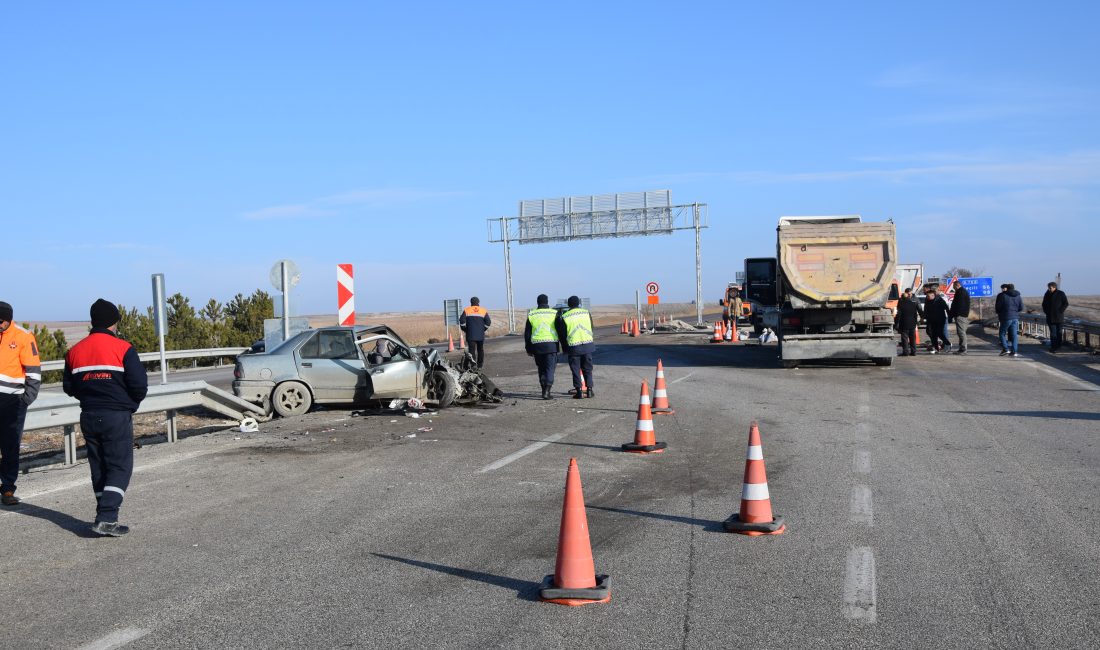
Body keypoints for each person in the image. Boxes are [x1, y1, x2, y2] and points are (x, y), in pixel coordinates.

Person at [63, 299, 148, 536]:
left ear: (93, 322)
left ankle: (104, 514)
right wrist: (129, 405)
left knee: (99, 466)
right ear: (114, 322)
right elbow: (139, 386)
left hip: (89, 415)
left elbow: (69, 387)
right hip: (116, 416)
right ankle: (107, 517)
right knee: (120, 467)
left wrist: (91, 396)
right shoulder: (123, 348)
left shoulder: (74, 351)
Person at [0, 301, 41, 506]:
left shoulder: (23, 336)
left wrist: (26, 400)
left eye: (2, 322)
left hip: (12, 401)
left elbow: (33, 371)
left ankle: (7, 489)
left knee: (10, 446)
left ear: (9, 319)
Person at [556, 296, 595, 399]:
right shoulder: (586, 313)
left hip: (573, 347)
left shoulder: (565, 316)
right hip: (587, 345)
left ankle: (579, 391)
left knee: (576, 369)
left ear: (569, 304)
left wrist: (564, 348)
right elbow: (591, 327)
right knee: (588, 369)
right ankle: (590, 390)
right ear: (578, 303)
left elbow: (563, 335)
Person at [524, 294, 560, 400]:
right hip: (551, 345)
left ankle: (543, 388)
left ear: (537, 302)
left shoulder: (532, 314)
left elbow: (527, 334)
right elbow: (560, 330)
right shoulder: (554, 313)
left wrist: (528, 348)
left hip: (537, 346)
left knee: (541, 368)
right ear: (547, 302)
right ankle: (547, 391)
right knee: (549, 368)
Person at [459, 297, 491, 368]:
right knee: (480, 349)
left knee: (471, 350)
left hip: (470, 335)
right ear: (478, 302)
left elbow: (462, 322)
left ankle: (473, 365)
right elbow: (488, 322)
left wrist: (465, 329)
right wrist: (483, 329)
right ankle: (480, 365)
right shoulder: (483, 310)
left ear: (471, 302)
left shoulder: (467, 310)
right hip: (480, 335)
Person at [995, 283, 1024, 357]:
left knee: (1002, 333)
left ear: (1007, 288)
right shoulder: (1018, 296)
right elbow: (1021, 307)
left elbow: (998, 307)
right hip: (1015, 317)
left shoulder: (1003, 295)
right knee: (1014, 335)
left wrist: (1000, 312)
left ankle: (1005, 349)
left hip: (1006, 317)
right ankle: (1014, 351)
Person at [1041, 282, 1069, 353]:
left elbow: (1066, 303)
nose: (1049, 289)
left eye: (1050, 288)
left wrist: (1060, 311)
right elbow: (1043, 304)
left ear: (1054, 287)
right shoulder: (1047, 294)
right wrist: (1046, 312)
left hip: (1059, 317)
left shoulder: (1060, 293)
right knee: (1053, 333)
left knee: (1059, 332)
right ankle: (1053, 347)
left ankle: (1058, 346)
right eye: (1048, 288)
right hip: (1050, 317)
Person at [923, 289, 950, 353]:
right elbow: (926, 310)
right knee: (932, 334)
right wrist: (924, 317)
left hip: (940, 319)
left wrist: (950, 317)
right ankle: (936, 348)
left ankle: (948, 344)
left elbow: (946, 308)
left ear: (933, 295)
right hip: (931, 320)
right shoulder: (927, 301)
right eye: (927, 296)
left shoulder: (939, 300)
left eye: (928, 296)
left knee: (939, 333)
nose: (927, 297)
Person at [948, 279, 971, 355]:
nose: (953, 288)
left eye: (954, 286)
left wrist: (956, 314)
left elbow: (958, 305)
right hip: (962, 314)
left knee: (961, 332)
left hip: (961, 315)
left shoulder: (961, 292)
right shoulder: (962, 291)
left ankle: (963, 349)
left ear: (957, 285)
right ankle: (961, 348)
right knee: (960, 332)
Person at [894, 289, 920, 356]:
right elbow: (915, 314)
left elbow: (898, 315)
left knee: (905, 338)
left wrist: (896, 323)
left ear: (902, 298)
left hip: (904, 324)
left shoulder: (901, 305)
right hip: (912, 324)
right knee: (912, 338)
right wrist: (916, 322)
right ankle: (913, 352)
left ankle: (906, 352)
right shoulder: (913, 304)